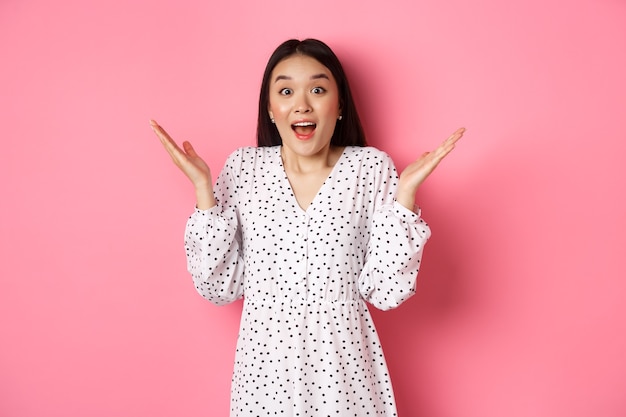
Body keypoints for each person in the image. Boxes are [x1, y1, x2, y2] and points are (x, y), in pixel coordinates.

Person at [151, 38, 464, 417]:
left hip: (345, 378)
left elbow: (386, 292)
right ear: (270, 108)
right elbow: (218, 287)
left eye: (318, 89)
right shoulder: (243, 170)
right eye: (286, 91)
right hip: (264, 379)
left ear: (340, 104)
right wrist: (203, 190)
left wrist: (406, 196)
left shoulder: (370, 169)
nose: (302, 104)